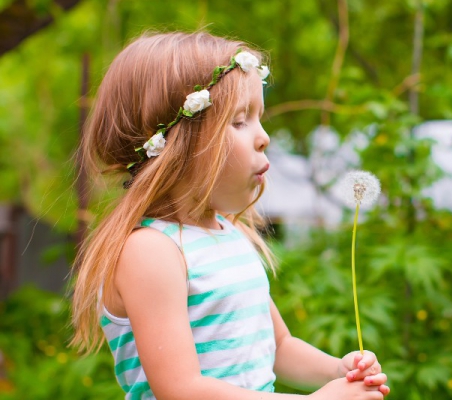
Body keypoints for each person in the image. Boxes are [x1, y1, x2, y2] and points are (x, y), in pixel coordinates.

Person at [70, 31, 390, 400]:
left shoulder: (229, 234)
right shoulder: (151, 251)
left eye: (259, 119)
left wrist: (337, 369)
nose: (263, 137)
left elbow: (280, 347)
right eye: (240, 122)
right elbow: (181, 389)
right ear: (179, 144)